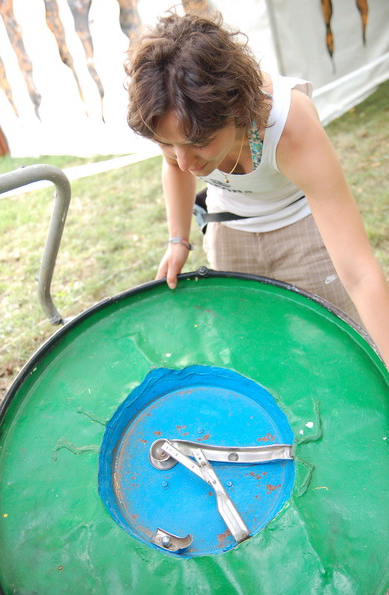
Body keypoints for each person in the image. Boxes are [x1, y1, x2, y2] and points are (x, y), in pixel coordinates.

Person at [125, 11, 389, 367]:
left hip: (301, 226)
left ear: (235, 109)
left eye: (198, 143)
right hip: (230, 227)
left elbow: (359, 272)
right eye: (167, 144)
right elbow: (175, 167)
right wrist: (177, 239)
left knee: (341, 345)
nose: (184, 161)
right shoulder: (177, 132)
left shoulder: (290, 125)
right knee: (253, 349)